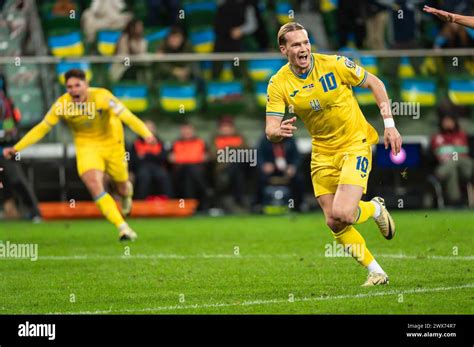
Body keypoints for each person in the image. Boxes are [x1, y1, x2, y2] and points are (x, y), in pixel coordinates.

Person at [265, 22, 402, 286]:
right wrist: (277, 132)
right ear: (284, 50)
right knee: (334, 222)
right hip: (322, 151)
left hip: (354, 143)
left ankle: (375, 208)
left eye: (306, 42)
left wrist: (390, 125)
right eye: (296, 44)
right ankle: (377, 272)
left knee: (345, 213)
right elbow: (270, 129)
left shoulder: (335, 64)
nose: (303, 48)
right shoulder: (278, 83)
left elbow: (375, 83)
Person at [2, 69, 157, 241]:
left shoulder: (103, 97)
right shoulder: (62, 105)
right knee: (93, 183)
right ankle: (123, 228)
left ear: (86, 85)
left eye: (77, 85)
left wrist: (146, 133)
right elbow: (42, 128)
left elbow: (128, 116)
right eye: (69, 86)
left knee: (122, 187)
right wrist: (16, 148)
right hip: (86, 147)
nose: (74, 90)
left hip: (113, 145)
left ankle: (127, 195)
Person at [0, 73, 41, 221]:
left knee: (16, 179)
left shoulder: (6, 102)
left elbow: (10, 127)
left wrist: (6, 134)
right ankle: (11, 211)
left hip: (5, 148)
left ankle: (35, 212)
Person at [254, 134, 304, 212]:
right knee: (259, 178)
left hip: (286, 170)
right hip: (271, 170)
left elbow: (297, 157)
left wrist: (293, 167)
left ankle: (298, 204)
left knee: (298, 179)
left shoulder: (290, 140)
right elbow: (259, 156)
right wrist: (264, 166)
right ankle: (258, 204)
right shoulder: (264, 140)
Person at [431, 114, 473, 205]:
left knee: (455, 159)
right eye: (445, 121)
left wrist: (449, 153)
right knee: (452, 170)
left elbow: (464, 153)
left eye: (449, 121)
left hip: (466, 168)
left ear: (454, 122)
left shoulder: (461, 135)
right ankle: (456, 201)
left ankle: (440, 173)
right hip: (449, 166)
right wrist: (454, 152)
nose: (447, 124)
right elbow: (438, 154)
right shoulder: (437, 137)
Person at [169, 122, 209, 211]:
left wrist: (183, 158)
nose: (187, 132)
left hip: (197, 172)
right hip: (180, 172)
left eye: (188, 130)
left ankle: (189, 206)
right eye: (184, 130)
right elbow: (171, 159)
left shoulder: (201, 142)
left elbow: (206, 158)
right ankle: (201, 202)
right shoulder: (175, 143)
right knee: (189, 170)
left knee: (190, 172)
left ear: (193, 131)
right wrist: (194, 158)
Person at [129, 120, 173, 199]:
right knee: (144, 176)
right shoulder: (135, 143)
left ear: (154, 129)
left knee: (163, 176)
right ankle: (140, 202)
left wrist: (145, 156)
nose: (148, 130)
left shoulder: (160, 142)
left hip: (157, 168)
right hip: (142, 168)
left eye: (151, 128)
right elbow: (133, 159)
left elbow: (164, 157)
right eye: (146, 128)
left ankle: (168, 201)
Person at [211, 115, 247, 210]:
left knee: (237, 166)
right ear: (219, 128)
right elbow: (214, 155)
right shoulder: (215, 139)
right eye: (224, 126)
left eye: (228, 126)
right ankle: (238, 199)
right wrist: (233, 149)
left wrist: (227, 149)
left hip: (240, 167)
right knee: (234, 166)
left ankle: (240, 200)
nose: (226, 129)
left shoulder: (240, 138)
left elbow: (247, 153)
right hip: (222, 169)